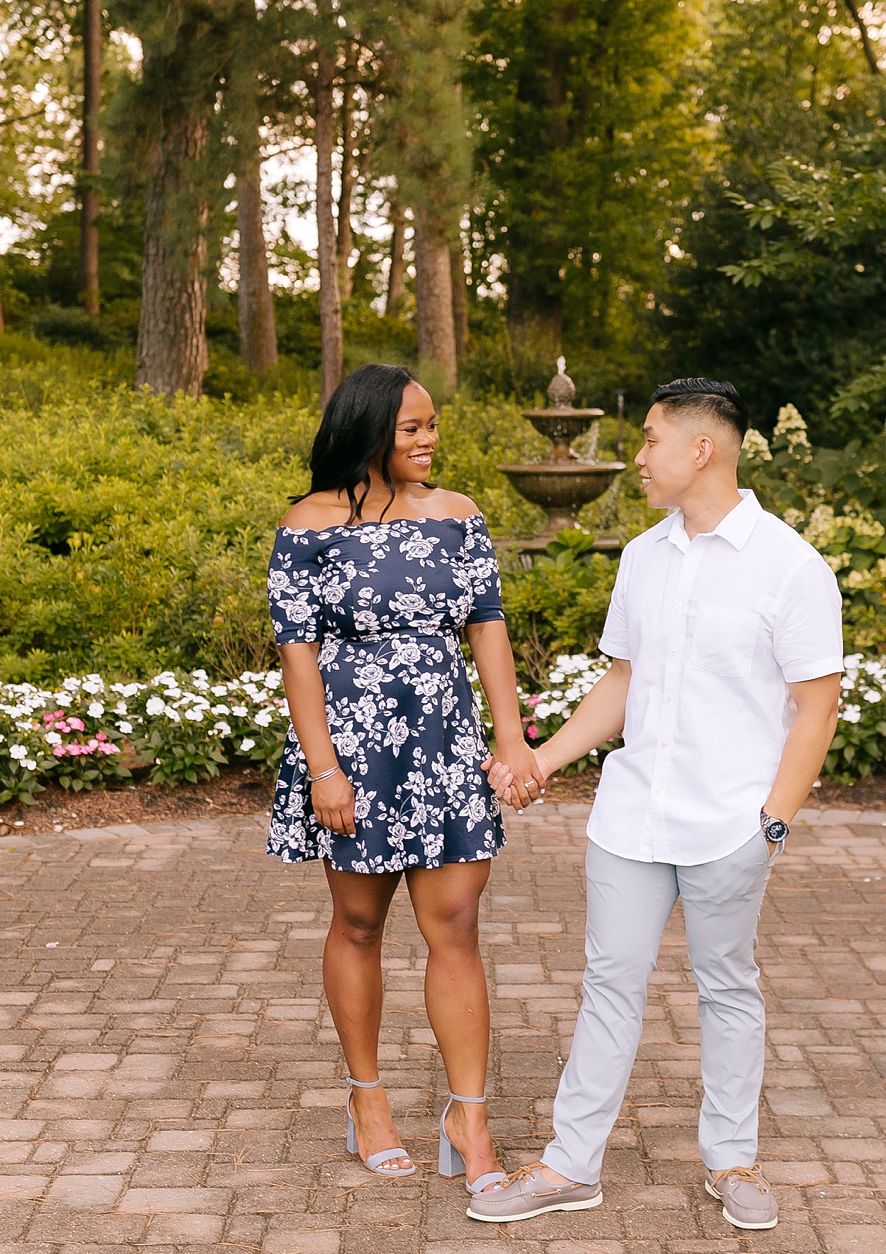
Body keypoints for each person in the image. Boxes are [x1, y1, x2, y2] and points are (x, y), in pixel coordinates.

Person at [471, 378, 843, 1230]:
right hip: (632, 818)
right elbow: (625, 682)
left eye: (648, 441)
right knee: (609, 981)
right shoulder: (644, 556)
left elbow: (816, 705)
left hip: (730, 824)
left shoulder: (790, 566)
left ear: (701, 449)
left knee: (726, 987)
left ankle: (733, 1161)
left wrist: (772, 824)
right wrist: (541, 759)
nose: (637, 457)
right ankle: (572, 1167)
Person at [268, 363, 545, 1193]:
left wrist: (512, 739)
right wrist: (324, 768)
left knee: (454, 922)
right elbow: (299, 656)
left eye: (433, 425)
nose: (431, 440)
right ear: (369, 431)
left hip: (442, 741)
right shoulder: (308, 524)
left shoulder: (460, 518)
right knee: (358, 924)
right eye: (414, 427)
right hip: (353, 747)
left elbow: (487, 629)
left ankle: (470, 1116)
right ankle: (368, 1101)